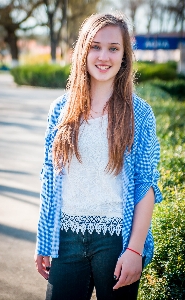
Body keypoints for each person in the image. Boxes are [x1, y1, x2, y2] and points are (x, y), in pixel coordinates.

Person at [34, 12, 162, 300]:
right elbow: (49, 178)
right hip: (65, 239)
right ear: (83, 51)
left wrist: (134, 250)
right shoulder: (60, 110)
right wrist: (44, 240)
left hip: (116, 240)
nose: (104, 56)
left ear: (124, 56)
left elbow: (146, 185)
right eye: (95, 46)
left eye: (113, 48)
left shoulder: (139, 114)